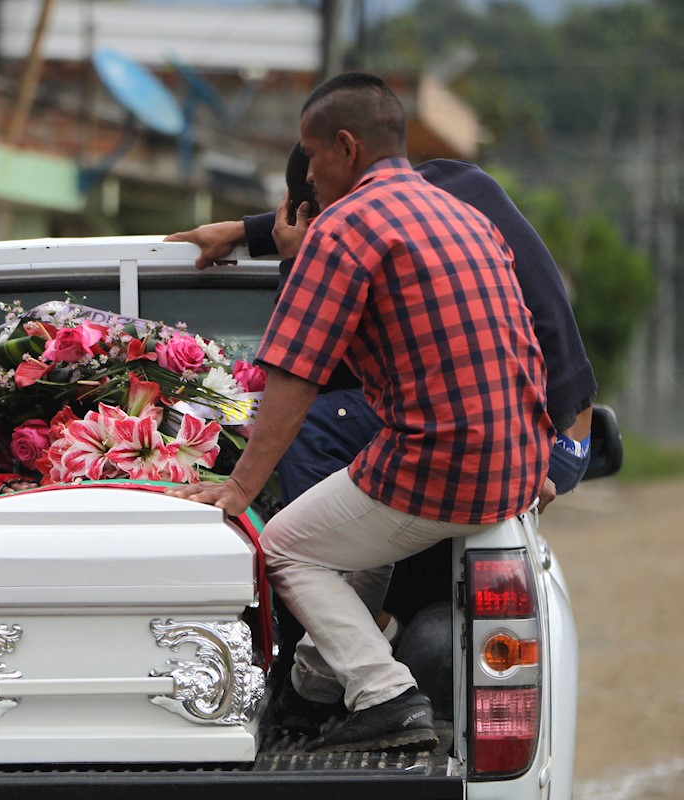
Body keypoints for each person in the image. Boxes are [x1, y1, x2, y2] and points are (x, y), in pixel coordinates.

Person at [166, 72, 555, 753]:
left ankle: (385, 696)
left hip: (440, 461)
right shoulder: (464, 215)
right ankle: (312, 692)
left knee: (284, 545)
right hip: (514, 467)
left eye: (311, 159)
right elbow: (525, 343)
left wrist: (240, 489)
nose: (307, 179)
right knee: (356, 543)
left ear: (345, 148)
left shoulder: (345, 227)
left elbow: (292, 377)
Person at [168, 149, 596, 505]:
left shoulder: (362, 252)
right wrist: (247, 230)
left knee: (311, 423)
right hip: (566, 433)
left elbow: (309, 367)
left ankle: (331, 571)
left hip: (529, 438)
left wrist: (297, 261)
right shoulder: (455, 182)